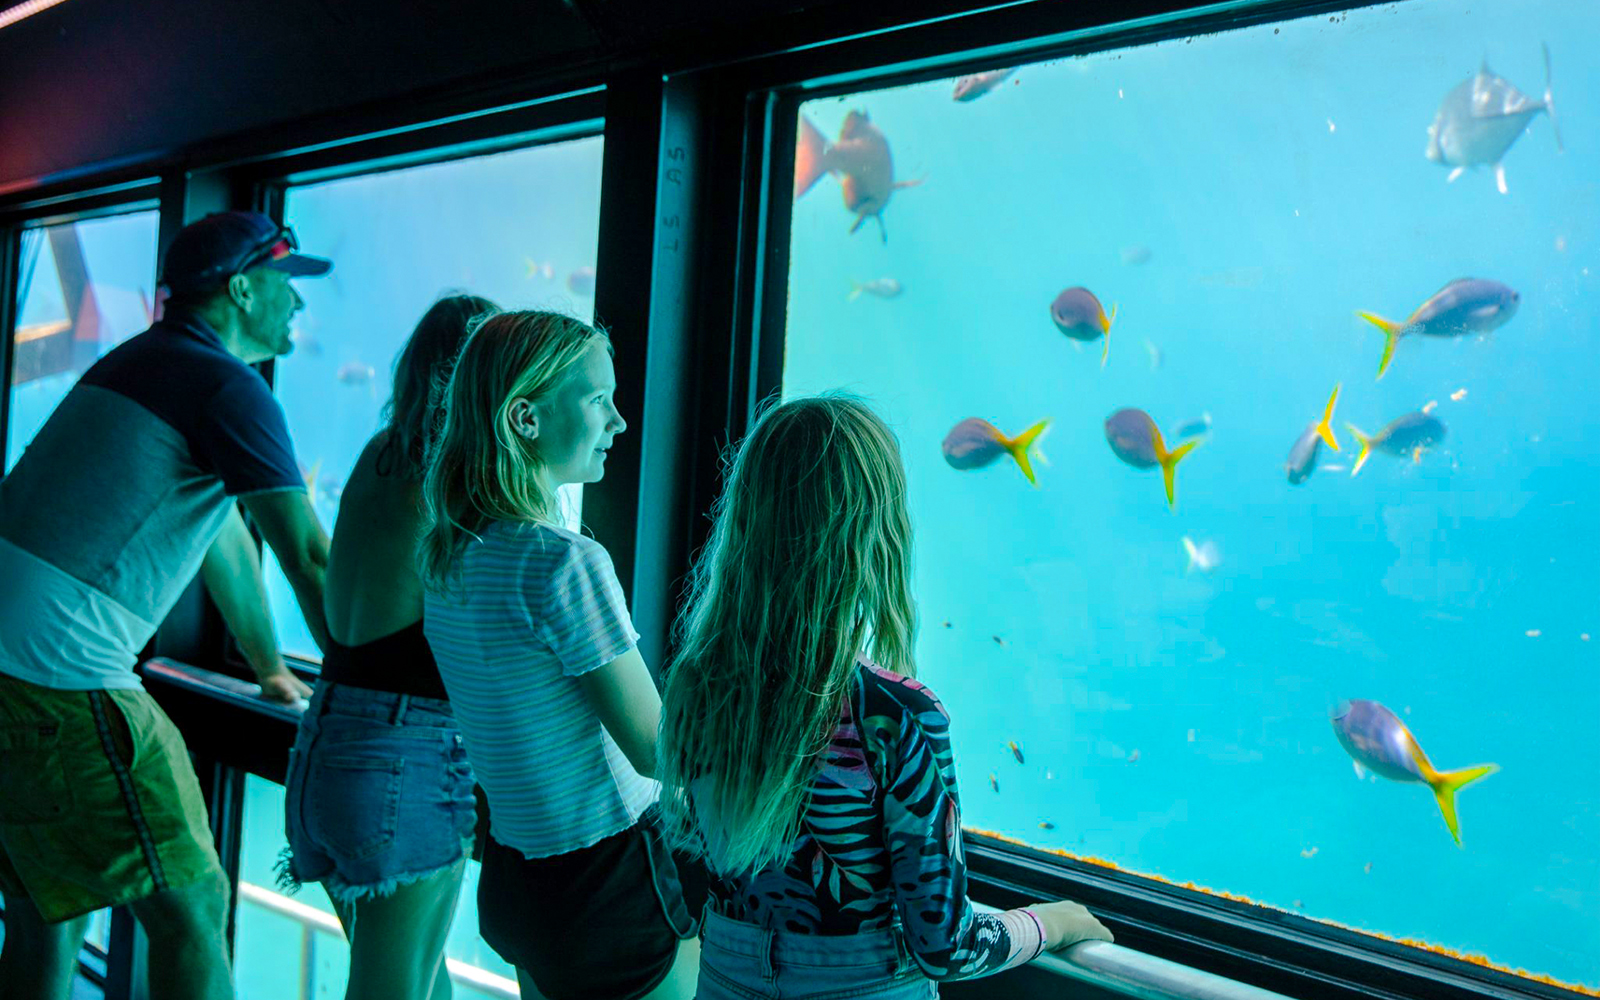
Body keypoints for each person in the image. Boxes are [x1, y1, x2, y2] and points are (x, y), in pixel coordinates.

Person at [657, 394, 1114, 999]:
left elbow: (700, 859)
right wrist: (1051, 923)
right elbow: (946, 947)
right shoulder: (897, 714)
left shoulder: (699, 682)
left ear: (746, 520)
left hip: (724, 974)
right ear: (876, 534)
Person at [0, 210, 333, 1000]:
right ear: (244, 288)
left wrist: (271, 673)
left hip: (11, 667)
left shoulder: (141, 362)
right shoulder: (227, 385)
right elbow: (310, 557)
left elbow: (222, 549)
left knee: (48, 907)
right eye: (288, 284)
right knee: (191, 908)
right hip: (60, 676)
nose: (299, 305)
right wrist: (365, 690)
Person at [418, 311, 699, 1000]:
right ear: (525, 418)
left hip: (520, 882)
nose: (618, 421)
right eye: (597, 399)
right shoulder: (562, 563)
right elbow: (656, 751)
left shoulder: (448, 558)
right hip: (610, 885)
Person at [281, 293, 499, 1000]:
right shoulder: (455, 477)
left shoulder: (380, 455)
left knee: (417, 982)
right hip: (400, 768)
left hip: (324, 750)